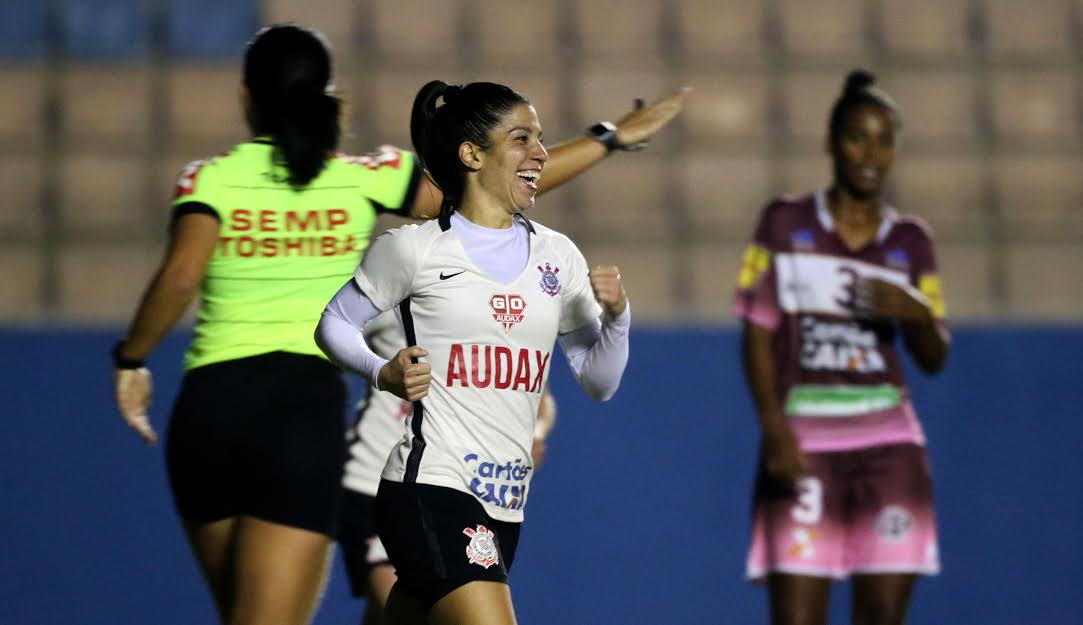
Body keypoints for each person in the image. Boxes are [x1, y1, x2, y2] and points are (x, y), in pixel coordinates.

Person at [110, 22, 686, 625]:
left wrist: (131, 359)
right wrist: (606, 139)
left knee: (245, 612)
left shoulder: (210, 178)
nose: (532, 155)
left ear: (247, 97)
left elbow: (180, 277)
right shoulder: (363, 179)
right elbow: (478, 194)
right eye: (523, 142)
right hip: (306, 415)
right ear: (329, 99)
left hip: (211, 404)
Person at [315, 79, 632, 625]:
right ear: (471, 154)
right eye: (521, 138)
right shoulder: (415, 249)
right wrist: (381, 371)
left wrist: (619, 318)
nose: (540, 154)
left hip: (505, 504)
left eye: (540, 138)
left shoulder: (558, 256)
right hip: (429, 484)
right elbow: (334, 324)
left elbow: (599, 381)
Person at [733, 69, 950, 625]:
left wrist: (916, 313)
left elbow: (934, 357)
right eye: (858, 137)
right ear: (831, 143)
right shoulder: (784, 224)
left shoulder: (910, 242)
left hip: (891, 449)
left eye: (884, 140)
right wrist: (774, 430)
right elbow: (757, 333)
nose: (871, 153)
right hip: (804, 448)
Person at [338, 309, 557, 625]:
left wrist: (533, 435)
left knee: (404, 610)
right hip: (372, 479)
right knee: (395, 598)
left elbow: (540, 399)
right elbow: (333, 328)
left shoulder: (484, 312)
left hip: (450, 487)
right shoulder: (389, 291)